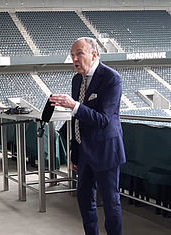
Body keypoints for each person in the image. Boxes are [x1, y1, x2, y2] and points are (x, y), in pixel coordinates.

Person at [49, 37, 126, 235]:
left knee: (110, 202)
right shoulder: (77, 79)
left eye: (79, 53)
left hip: (106, 151)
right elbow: (78, 120)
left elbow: (104, 120)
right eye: (72, 55)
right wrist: (75, 152)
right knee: (84, 200)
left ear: (94, 54)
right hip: (84, 153)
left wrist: (73, 105)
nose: (74, 59)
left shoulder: (111, 78)